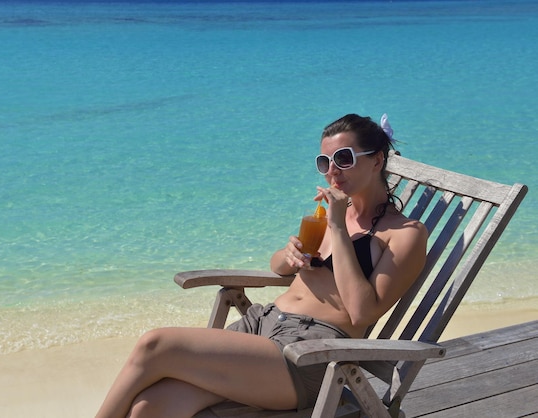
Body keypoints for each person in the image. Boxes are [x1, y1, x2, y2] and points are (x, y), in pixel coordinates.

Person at [95, 113, 428, 418]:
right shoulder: (325, 215)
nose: (332, 171)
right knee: (150, 407)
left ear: (377, 160)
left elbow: (361, 313)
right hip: (262, 325)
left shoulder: (403, 235)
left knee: (155, 345)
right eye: (324, 161)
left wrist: (339, 226)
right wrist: (288, 255)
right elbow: (279, 267)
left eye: (343, 159)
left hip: (312, 354)